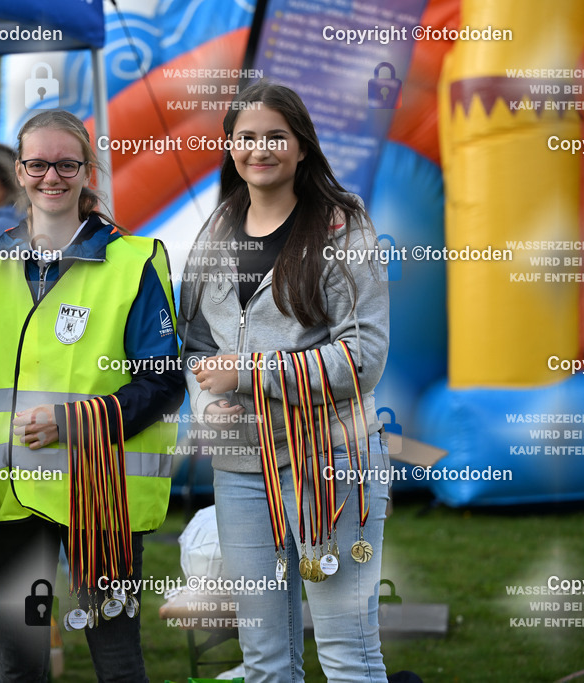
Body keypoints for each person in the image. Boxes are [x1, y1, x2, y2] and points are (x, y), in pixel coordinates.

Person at [180, 82, 391, 682]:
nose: (259, 147)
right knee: (265, 662)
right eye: (246, 137)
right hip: (242, 471)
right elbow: (196, 343)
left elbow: (364, 357)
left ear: (302, 147)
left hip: (329, 463)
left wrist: (250, 374)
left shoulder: (339, 226)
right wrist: (206, 401)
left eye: (276, 135)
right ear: (229, 146)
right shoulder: (217, 227)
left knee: (348, 653)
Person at [0, 110, 184, 682]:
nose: (51, 176)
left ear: (89, 170)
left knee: (117, 662)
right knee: (21, 665)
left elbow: (163, 383)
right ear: (19, 170)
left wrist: (75, 421)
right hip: (9, 496)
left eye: (66, 163)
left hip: (100, 495)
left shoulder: (132, 263)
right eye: (37, 163)